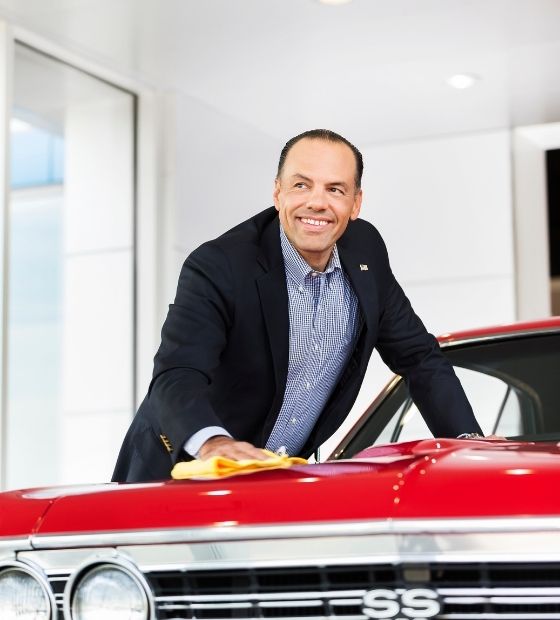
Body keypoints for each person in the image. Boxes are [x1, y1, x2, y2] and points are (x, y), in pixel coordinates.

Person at [112, 129, 483, 483]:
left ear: (356, 203)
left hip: (279, 480)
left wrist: (468, 444)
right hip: (178, 471)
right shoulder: (219, 266)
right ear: (278, 193)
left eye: (334, 189)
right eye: (301, 185)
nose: (316, 202)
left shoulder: (366, 251)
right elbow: (177, 374)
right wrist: (215, 444)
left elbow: (419, 358)